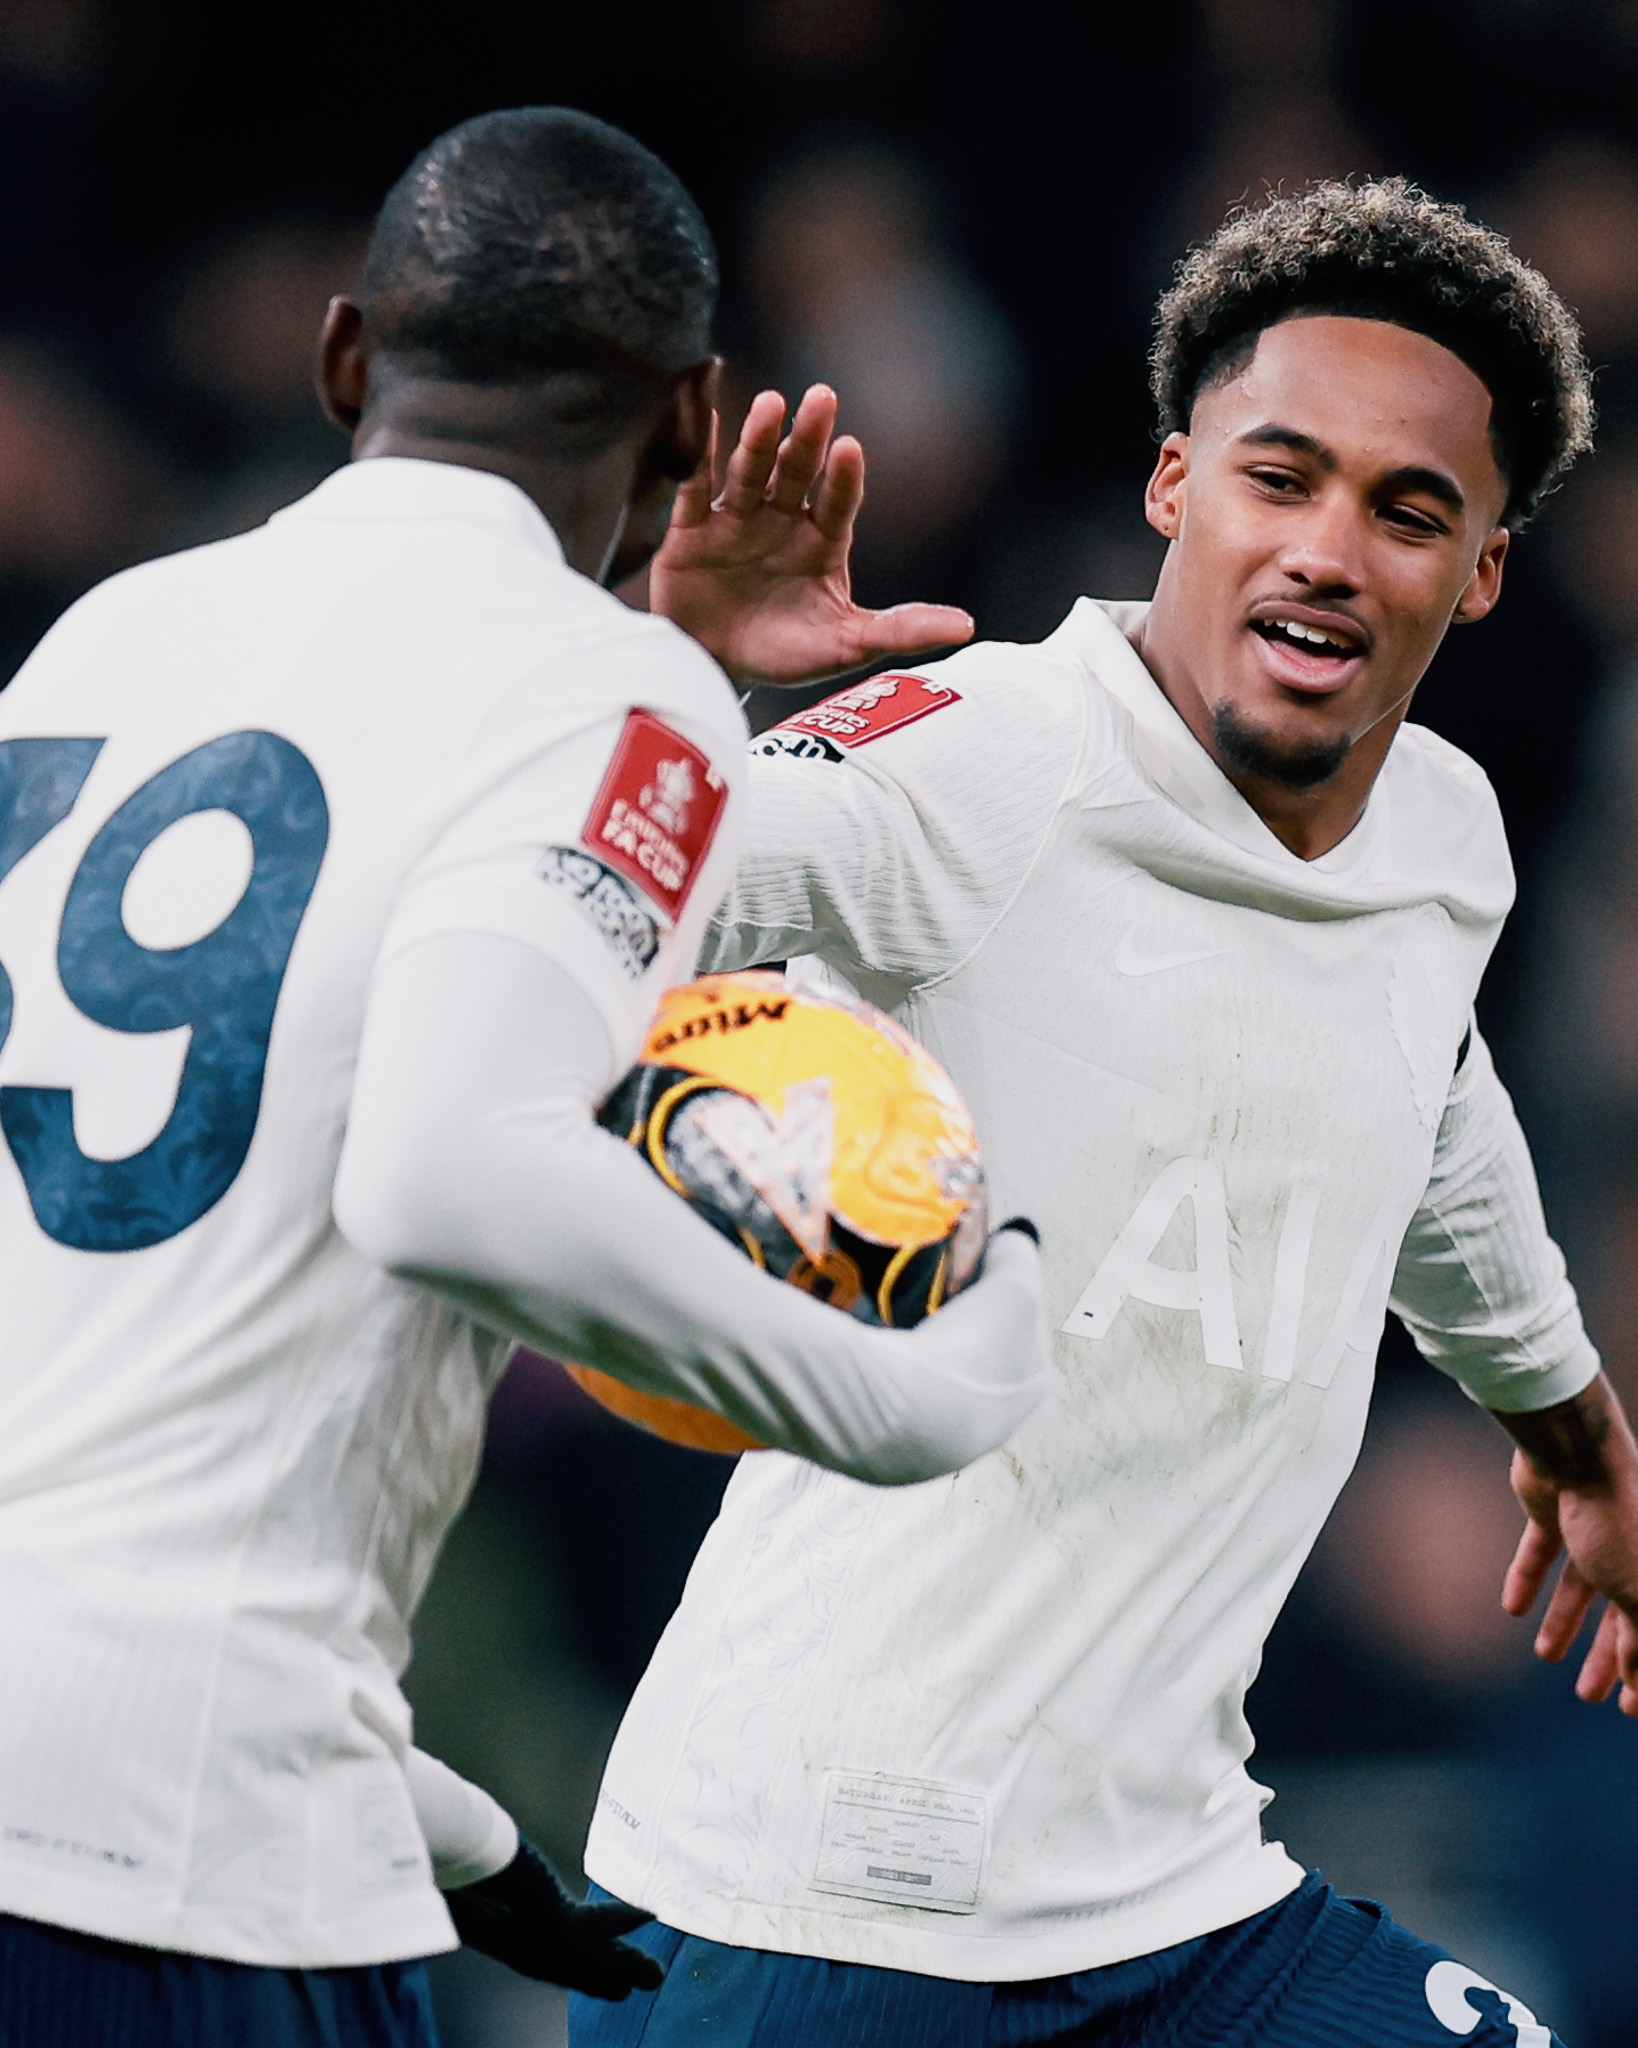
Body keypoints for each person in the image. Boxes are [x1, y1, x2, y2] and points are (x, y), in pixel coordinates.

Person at [0, 107, 1053, 2048]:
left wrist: (445, 1820)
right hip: (185, 1868)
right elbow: (447, 1173)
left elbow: (94, 1372)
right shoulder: (599, 689)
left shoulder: (94, 648)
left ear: (344, 357)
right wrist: (912, 1397)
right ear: (687, 425)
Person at [573, 179, 1638, 2047]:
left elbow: (1433, 1104)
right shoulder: (980, 755)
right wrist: (677, 677)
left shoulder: (1443, 834)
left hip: (1181, 1903)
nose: (1325, 548)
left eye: (1406, 511)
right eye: (1277, 476)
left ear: (1475, 572)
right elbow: (585, 884)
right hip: (810, 1906)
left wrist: (1563, 1419)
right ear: (1173, 486)